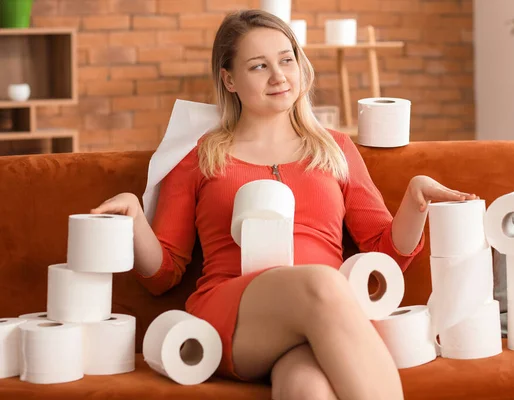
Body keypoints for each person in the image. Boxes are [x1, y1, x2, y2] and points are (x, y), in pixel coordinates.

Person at [91, 9, 478, 400]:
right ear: (229, 79)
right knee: (321, 281)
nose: (279, 76)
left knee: (307, 388)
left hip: (321, 317)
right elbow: (163, 274)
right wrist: (136, 218)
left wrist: (416, 199)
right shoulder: (199, 158)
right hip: (237, 316)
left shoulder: (334, 149)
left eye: (286, 59)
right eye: (259, 66)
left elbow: (382, 255)